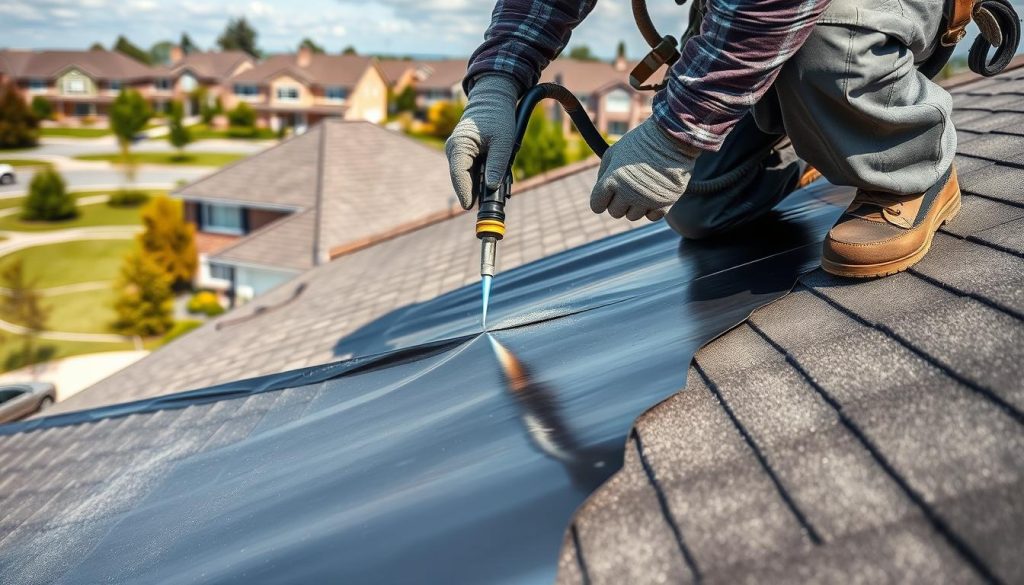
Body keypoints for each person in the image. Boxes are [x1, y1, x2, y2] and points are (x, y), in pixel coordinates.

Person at [445, 0, 965, 278]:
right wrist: (496, 84)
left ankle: (908, 168)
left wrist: (675, 137)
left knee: (823, 38)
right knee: (697, 204)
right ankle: (814, 134)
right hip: (742, 11)